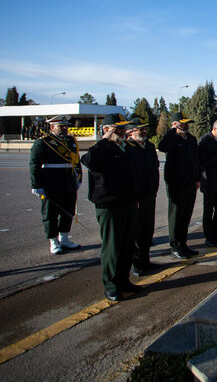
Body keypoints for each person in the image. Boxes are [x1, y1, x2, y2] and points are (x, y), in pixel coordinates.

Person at [81, 113, 140, 302]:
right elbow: (89, 161)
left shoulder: (123, 148)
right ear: (106, 130)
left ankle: (124, 281)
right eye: (118, 129)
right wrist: (105, 139)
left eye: (124, 129)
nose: (123, 132)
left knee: (127, 246)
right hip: (109, 206)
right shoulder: (101, 149)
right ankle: (111, 286)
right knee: (112, 248)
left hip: (128, 203)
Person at [29, 115, 82, 255]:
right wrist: (36, 184)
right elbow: (34, 164)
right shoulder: (43, 142)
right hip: (51, 182)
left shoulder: (70, 140)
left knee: (68, 210)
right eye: (61, 126)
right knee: (50, 213)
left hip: (68, 180)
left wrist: (78, 177)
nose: (65, 129)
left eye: (66, 126)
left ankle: (64, 238)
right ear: (52, 127)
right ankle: (53, 241)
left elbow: (76, 160)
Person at [158, 112, 200, 259]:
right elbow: (162, 147)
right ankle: (175, 246)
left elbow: (196, 160)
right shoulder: (172, 139)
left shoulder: (191, 139)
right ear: (175, 124)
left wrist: (197, 178)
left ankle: (183, 244)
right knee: (176, 215)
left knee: (186, 215)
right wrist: (172, 131)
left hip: (190, 182)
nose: (186, 126)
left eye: (187, 123)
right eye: (182, 123)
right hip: (176, 183)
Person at [125, 118, 160, 276]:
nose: (144, 131)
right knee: (136, 231)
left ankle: (145, 260)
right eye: (141, 129)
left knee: (147, 230)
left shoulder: (149, 146)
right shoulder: (127, 148)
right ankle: (136, 263)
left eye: (145, 129)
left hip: (149, 194)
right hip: (136, 197)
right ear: (131, 132)